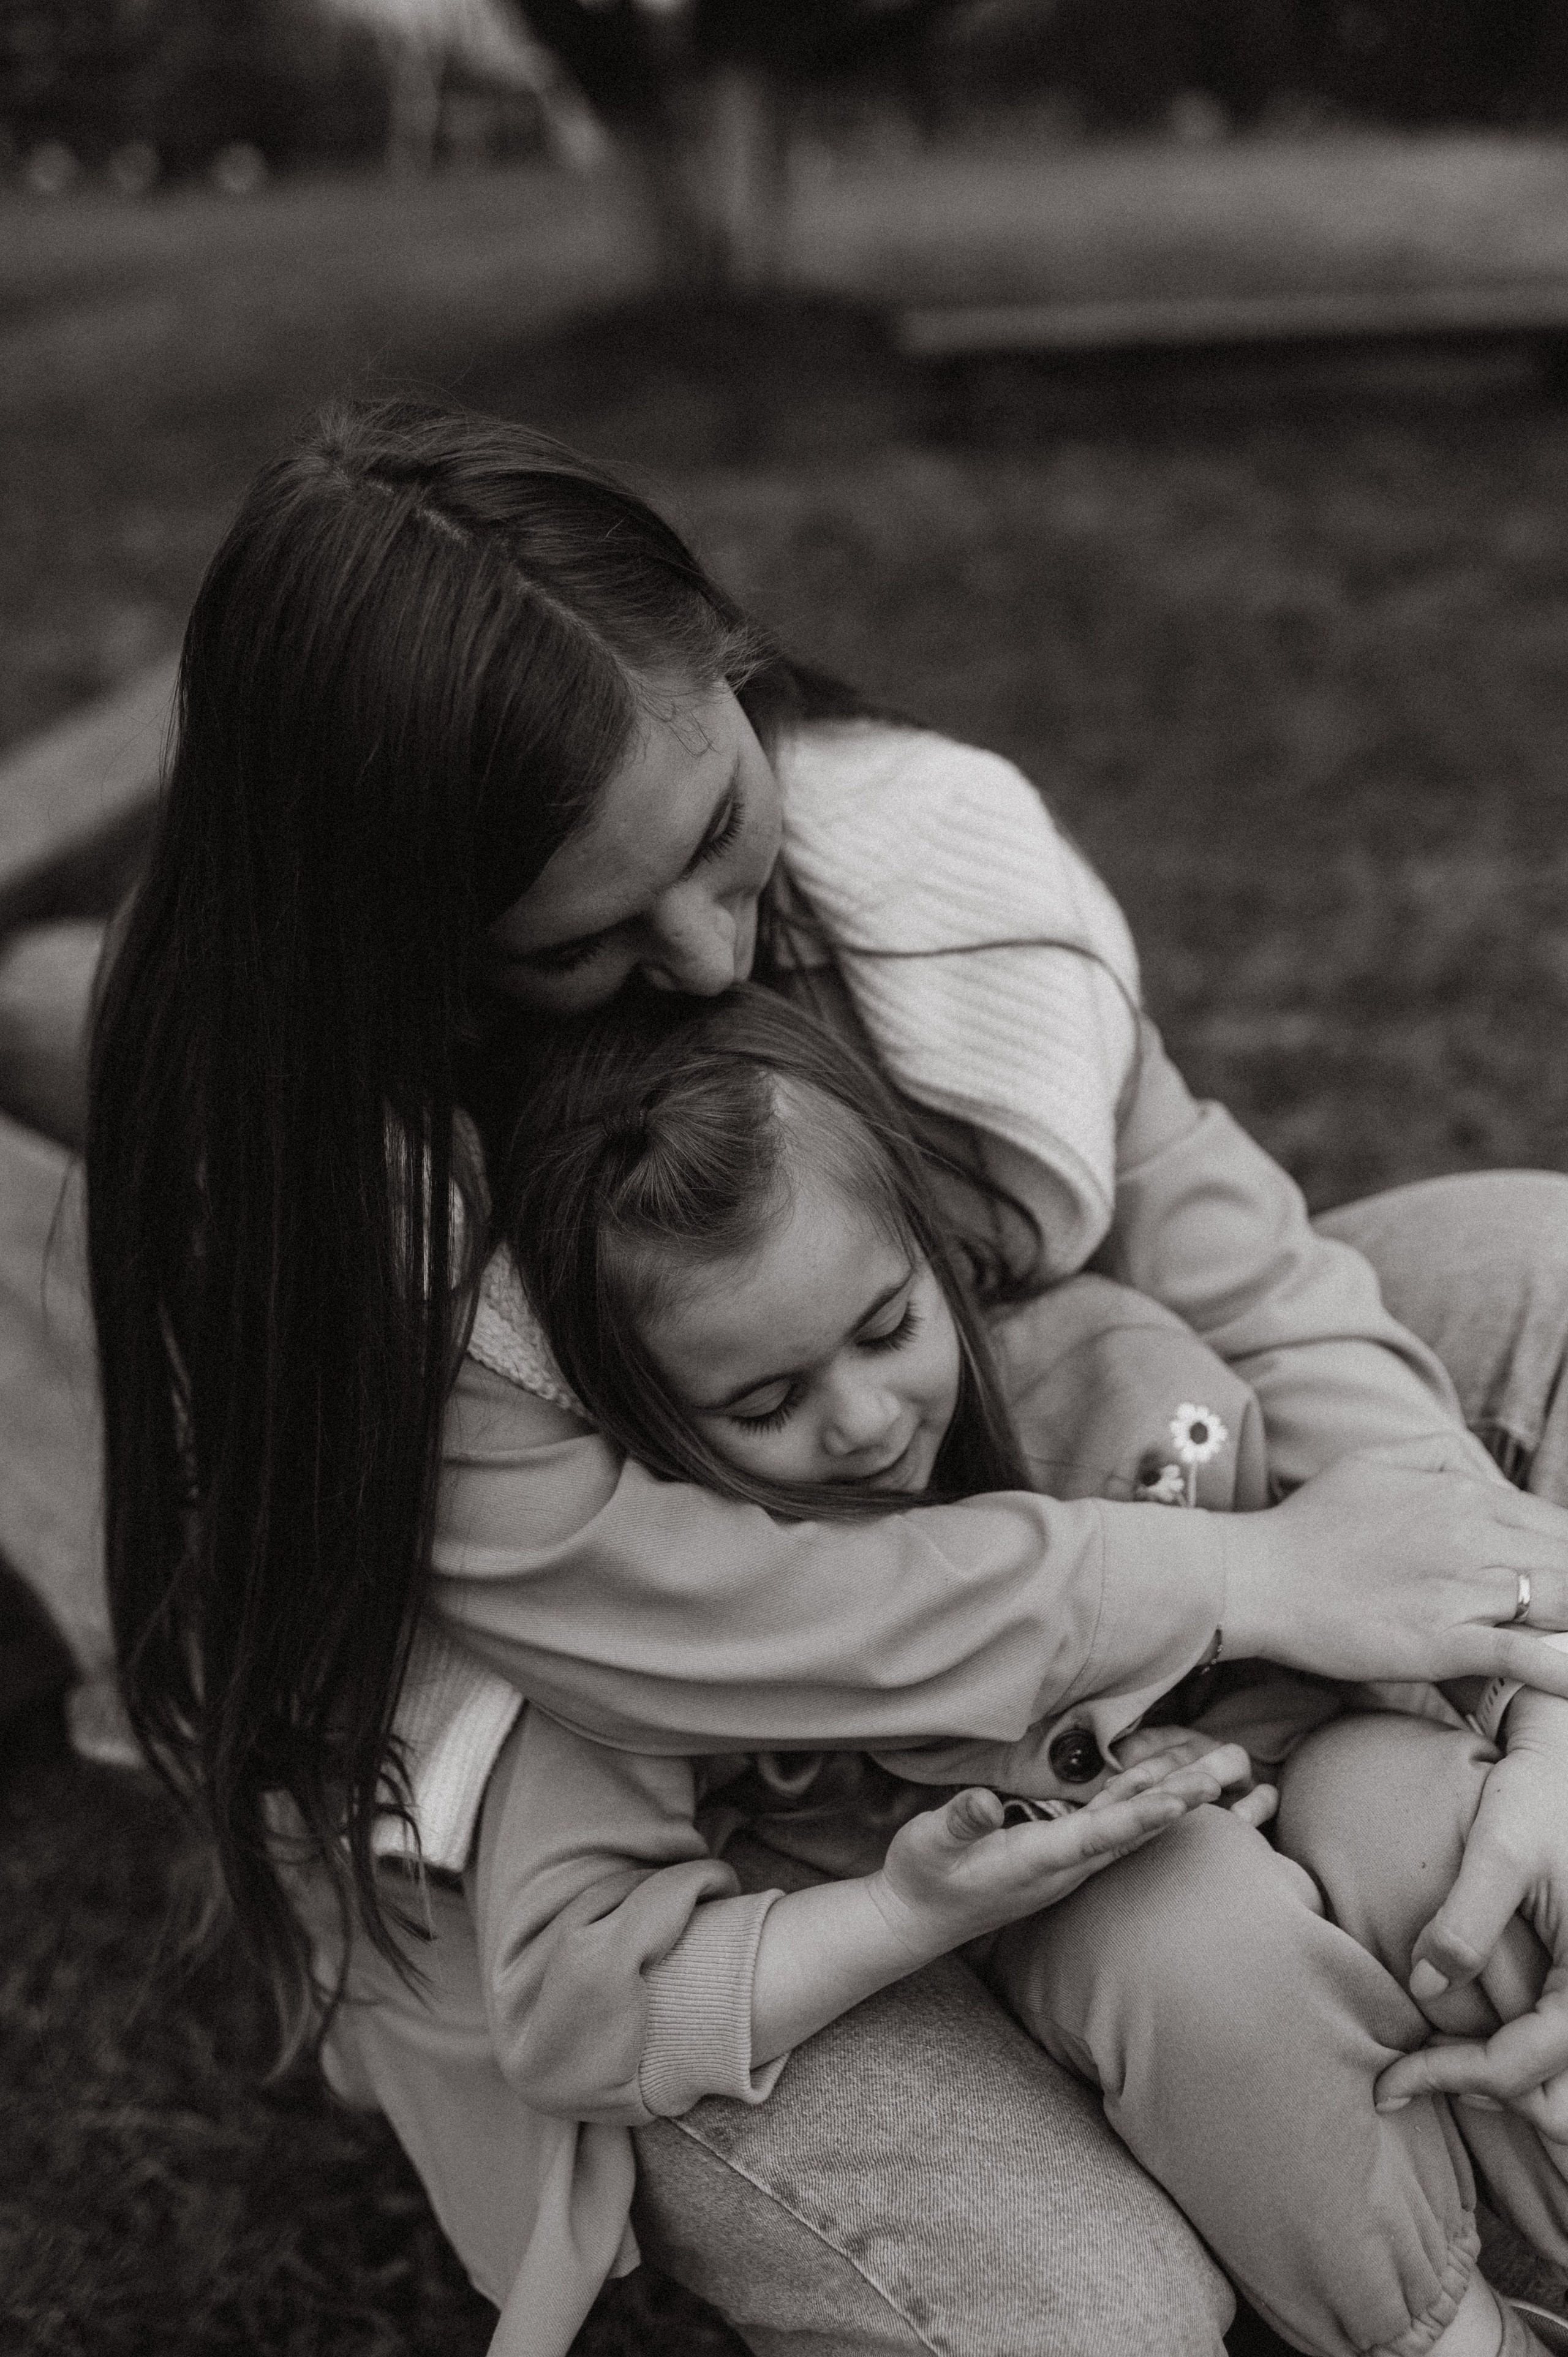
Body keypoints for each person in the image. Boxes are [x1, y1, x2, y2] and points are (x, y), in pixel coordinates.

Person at [85, 398, 1568, 2357]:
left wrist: (1517, 1645)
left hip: (1052, 1507)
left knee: (1534, 1261)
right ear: (412, 941)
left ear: (728, 662)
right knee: (1097, 2317)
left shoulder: (918, 854)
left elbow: (1244, 1262)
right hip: (705, 1829)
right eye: (581, 944)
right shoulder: (343, 1216)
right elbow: (691, 1619)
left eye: (716, 832)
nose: (711, 955)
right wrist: (1246, 1583)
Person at [473, 979, 1568, 2357]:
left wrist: (1256, 1745)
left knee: (1416, 1822)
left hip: (1300, 1853)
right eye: (762, 1403)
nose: (865, 1422)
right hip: (1091, 1974)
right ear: (639, 1418)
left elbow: (1346, 1619)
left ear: (942, 1257)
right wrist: (904, 1908)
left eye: (886, 1329)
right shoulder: (655, 1640)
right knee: (1181, 1921)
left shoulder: (1107, 1384)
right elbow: (577, 2009)